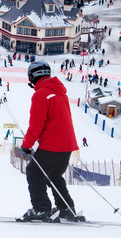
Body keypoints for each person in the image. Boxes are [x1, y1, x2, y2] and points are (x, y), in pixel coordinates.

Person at [20, 61, 81, 222]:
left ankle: (41, 209)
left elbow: (36, 125)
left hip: (52, 144)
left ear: (33, 76)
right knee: (53, 175)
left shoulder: (40, 95)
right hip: (67, 144)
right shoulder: (60, 93)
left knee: (34, 172)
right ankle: (66, 208)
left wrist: (26, 145)